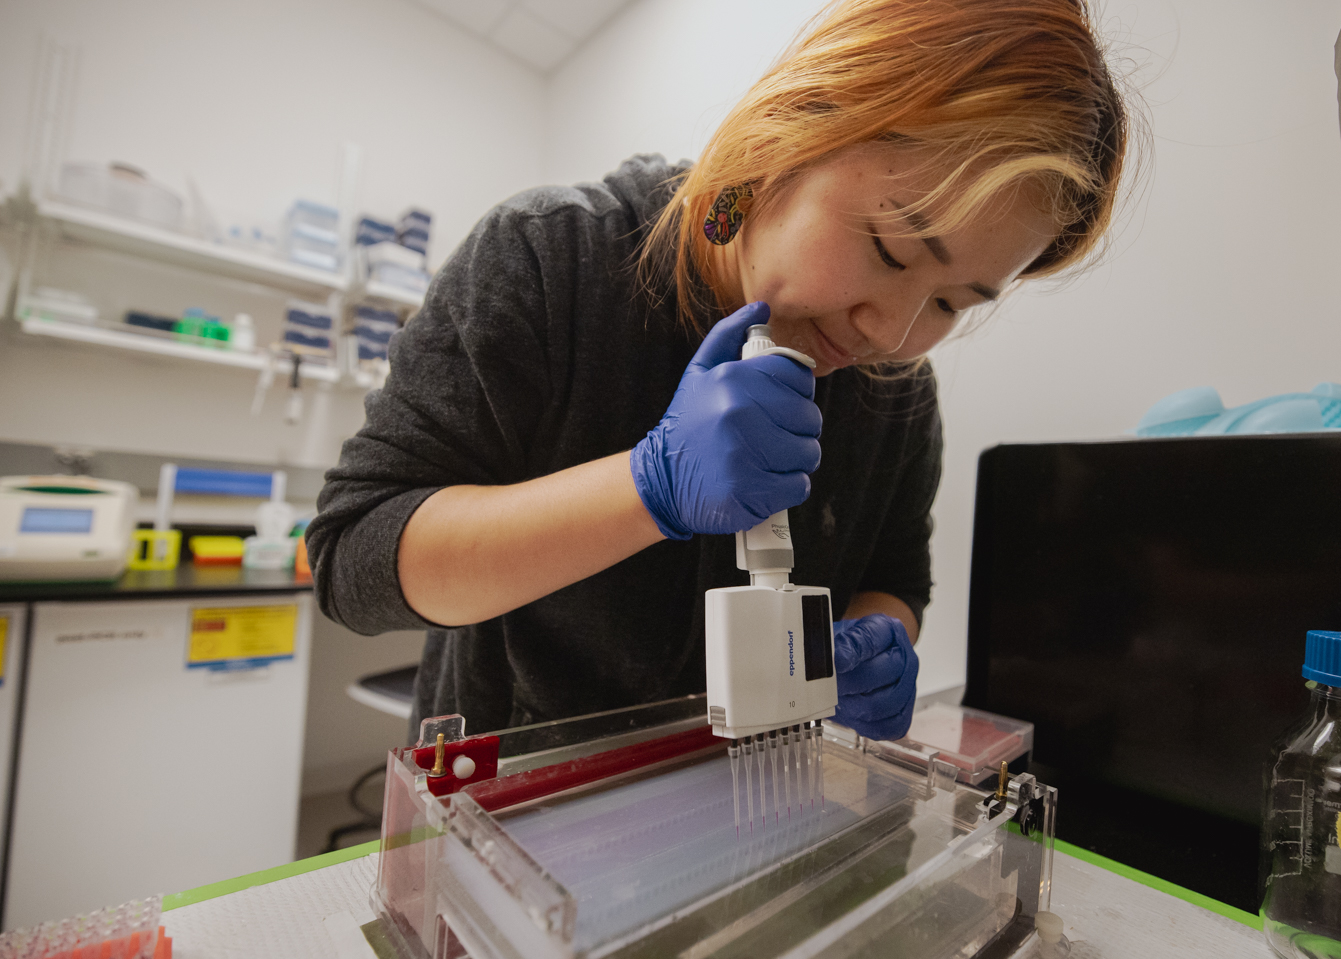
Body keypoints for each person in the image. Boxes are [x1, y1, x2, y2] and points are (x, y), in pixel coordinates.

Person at [307, 0, 1128, 744]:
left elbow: (894, 579)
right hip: (511, 810)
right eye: (890, 249)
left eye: (954, 303)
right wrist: (645, 488)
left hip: (749, 811)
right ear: (786, 136)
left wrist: (875, 642)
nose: (893, 333)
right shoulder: (549, 259)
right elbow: (354, 567)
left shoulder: (897, 395)